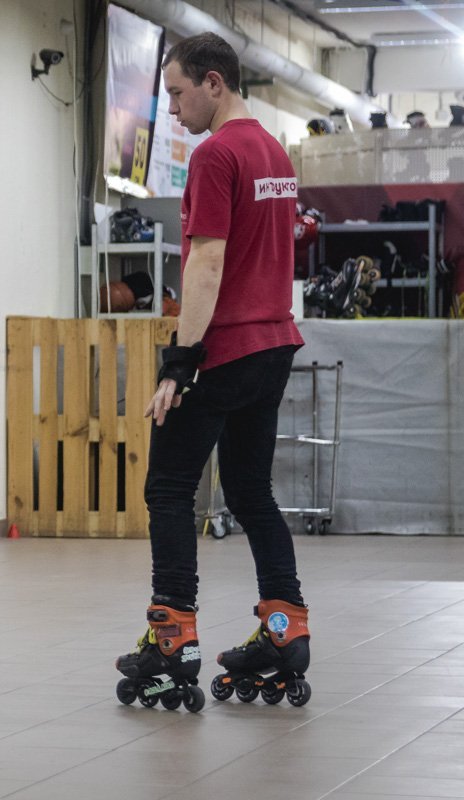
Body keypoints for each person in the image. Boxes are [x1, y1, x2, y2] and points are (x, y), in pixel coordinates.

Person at [113, 32, 311, 713]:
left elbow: (206, 263)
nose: (171, 108)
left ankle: (172, 636)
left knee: (168, 485)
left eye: (176, 92)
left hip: (224, 348)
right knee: (252, 493)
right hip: (274, 345)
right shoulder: (275, 151)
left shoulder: (217, 153)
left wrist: (180, 361)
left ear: (214, 84)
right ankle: (285, 631)